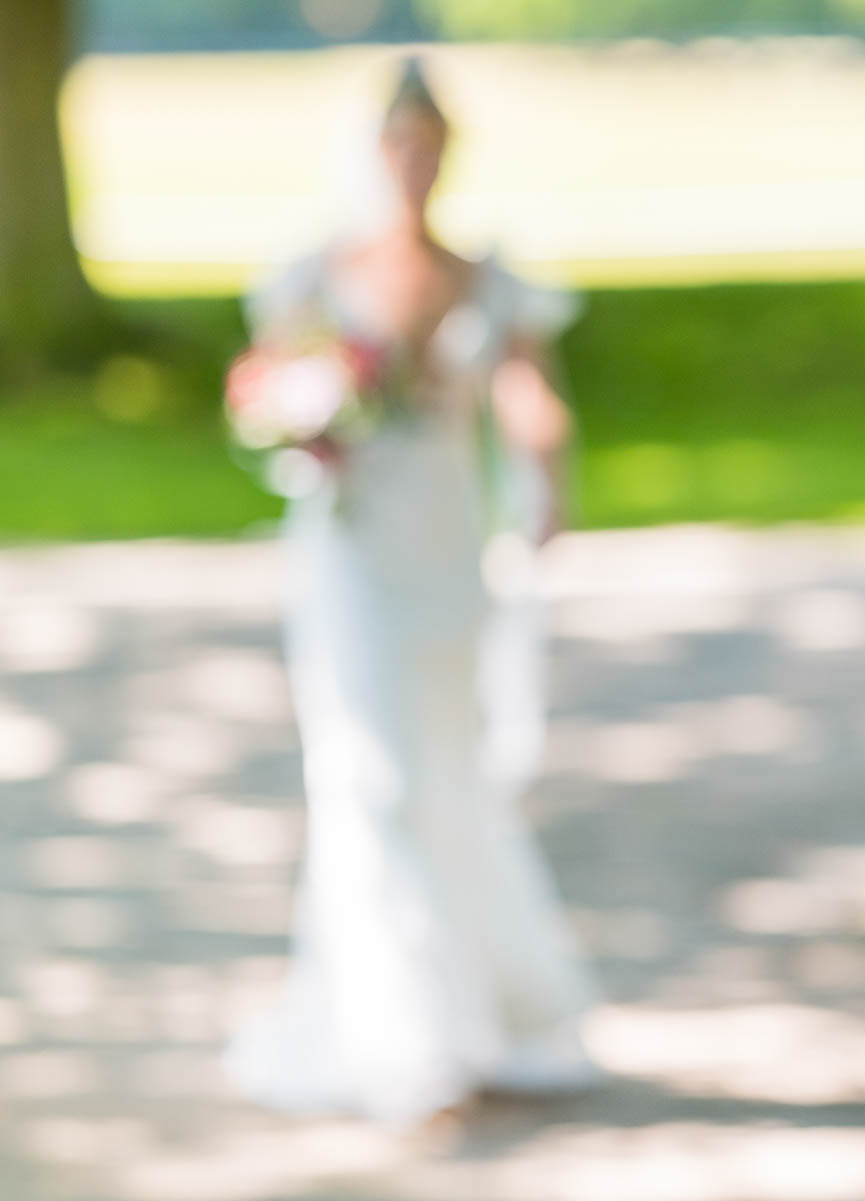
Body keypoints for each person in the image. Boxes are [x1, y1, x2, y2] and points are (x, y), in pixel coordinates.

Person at [222, 58, 601, 1127]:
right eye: (399, 143)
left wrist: (547, 486)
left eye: (431, 145)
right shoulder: (311, 273)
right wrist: (310, 415)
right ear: (371, 152)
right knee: (369, 769)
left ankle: (483, 1011)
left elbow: (530, 395)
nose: (414, 163)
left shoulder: (487, 273)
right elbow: (266, 387)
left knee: (452, 762)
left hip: (446, 547)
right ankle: (397, 1034)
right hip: (350, 549)